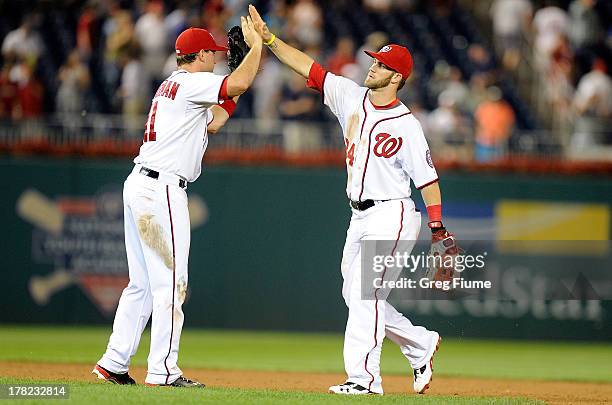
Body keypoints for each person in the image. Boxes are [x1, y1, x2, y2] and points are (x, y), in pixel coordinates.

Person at [249, 4, 451, 395]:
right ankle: (420, 343)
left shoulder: (407, 125)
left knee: (366, 294)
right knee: (355, 294)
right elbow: (309, 68)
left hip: (391, 213)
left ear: (397, 77)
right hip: (359, 216)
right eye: (374, 61)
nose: (372, 67)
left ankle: (365, 379)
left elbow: (427, 179)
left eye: (381, 64)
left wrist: (438, 226)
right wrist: (271, 40)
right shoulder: (350, 97)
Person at [93, 18, 263, 387]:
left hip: (140, 184)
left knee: (141, 284)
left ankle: (114, 362)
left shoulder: (175, 85)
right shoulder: (192, 82)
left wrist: (233, 82)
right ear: (198, 55)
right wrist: (256, 48)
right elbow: (242, 81)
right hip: (162, 190)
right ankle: (164, 371)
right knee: (172, 283)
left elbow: (215, 121)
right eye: (213, 54)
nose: (218, 59)